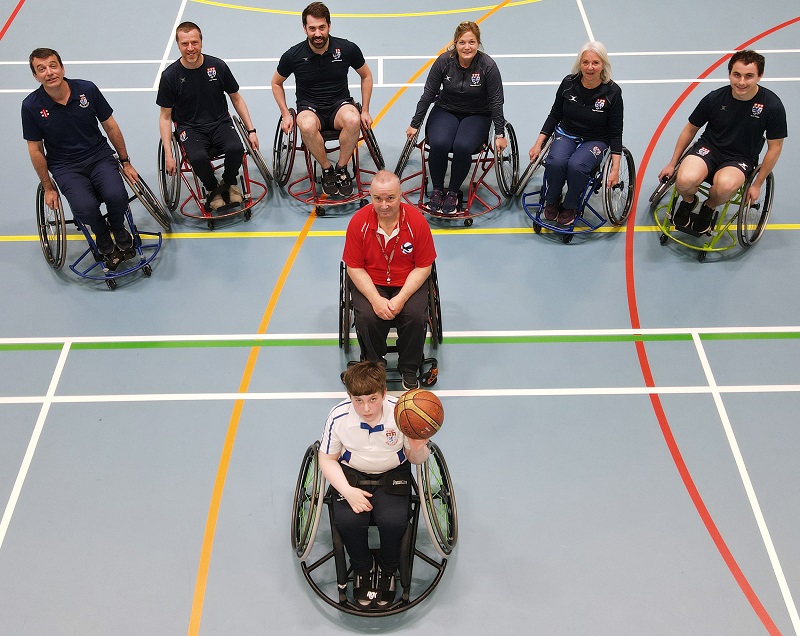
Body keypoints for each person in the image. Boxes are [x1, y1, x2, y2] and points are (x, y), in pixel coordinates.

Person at [319, 360, 430, 608]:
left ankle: (389, 569)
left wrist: (418, 447)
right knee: (347, 520)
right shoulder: (338, 416)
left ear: (383, 393)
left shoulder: (402, 413)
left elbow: (417, 460)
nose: (366, 408)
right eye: (358, 400)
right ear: (350, 396)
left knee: (393, 521)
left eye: (372, 399)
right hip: (352, 473)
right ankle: (363, 568)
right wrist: (347, 491)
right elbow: (326, 459)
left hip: (393, 471)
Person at [22, 48, 139, 256]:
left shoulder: (87, 89)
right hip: (65, 167)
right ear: (35, 76)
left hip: (99, 156)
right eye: (41, 69)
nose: (49, 72)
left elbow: (110, 126)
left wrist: (125, 162)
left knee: (118, 196)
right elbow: (35, 149)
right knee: (85, 209)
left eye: (52, 66)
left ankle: (118, 227)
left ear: (62, 67)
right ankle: (101, 233)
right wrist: (48, 187)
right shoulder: (31, 106)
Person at [658, 50, 787, 234]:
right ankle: (689, 201)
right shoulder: (714, 98)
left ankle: (709, 206)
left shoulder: (772, 106)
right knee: (684, 181)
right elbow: (690, 129)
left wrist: (757, 184)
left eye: (749, 76)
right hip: (708, 149)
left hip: (740, 158)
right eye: (736, 75)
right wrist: (672, 163)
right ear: (729, 74)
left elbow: (775, 147)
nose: (741, 82)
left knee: (724, 188)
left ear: (760, 76)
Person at [343, 171, 436, 390]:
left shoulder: (417, 222)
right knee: (367, 316)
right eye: (378, 199)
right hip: (371, 281)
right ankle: (375, 366)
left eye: (390, 198)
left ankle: (409, 367)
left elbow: (424, 266)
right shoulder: (358, 223)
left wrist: (401, 298)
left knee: (414, 315)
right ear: (371, 196)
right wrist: (376, 299)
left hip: (407, 280)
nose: (384, 205)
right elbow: (354, 267)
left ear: (401, 195)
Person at [271, 2, 373, 197]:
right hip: (310, 108)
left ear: (329, 26)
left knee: (353, 119)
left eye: (321, 27)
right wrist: (285, 114)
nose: (317, 34)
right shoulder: (293, 56)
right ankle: (327, 169)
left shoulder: (347, 49)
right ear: (304, 29)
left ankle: (342, 169)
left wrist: (365, 109)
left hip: (339, 105)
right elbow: (276, 83)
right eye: (312, 29)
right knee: (307, 125)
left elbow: (366, 75)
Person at [157, 22, 259, 212]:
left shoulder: (217, 66)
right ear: (178, 45)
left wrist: (251, 130)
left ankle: (228, 183)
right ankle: (212, 188)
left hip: (220, 122)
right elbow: (165, 117)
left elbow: (236, 98)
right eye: (185, 44)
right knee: (196, 157)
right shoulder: (169, 76)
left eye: (194, 42)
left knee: (236, 148)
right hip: (190, 128)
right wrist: (169, 154)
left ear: (201, 42)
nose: (190, 48)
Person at [406, 21, 507, 215]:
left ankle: (453, 192)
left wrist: (500, 133)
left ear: (478, 44)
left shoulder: (488, 66)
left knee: (462, 146)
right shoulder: (444, 62)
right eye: (462, 42)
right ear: (455, 43)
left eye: (471, 42)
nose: (467, 47)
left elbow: (496, 101)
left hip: (477, 114)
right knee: (440, 142)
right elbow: (428, 94)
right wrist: (415, 123)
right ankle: (437, 190)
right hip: (446, 110)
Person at [528, 41, 624, 227]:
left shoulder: (613, 92)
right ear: (579, 63)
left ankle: (571, 206)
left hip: (596, 140)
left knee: (576, 166)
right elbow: (554, 115)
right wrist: (538, 143)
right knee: (555, 162)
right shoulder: (568, 83)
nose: (590, 67)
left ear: (603, 65)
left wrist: (614, 169)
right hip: (567, 133)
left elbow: (616, 132)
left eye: (595, 63)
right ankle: (552, 200)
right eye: (585, 62)